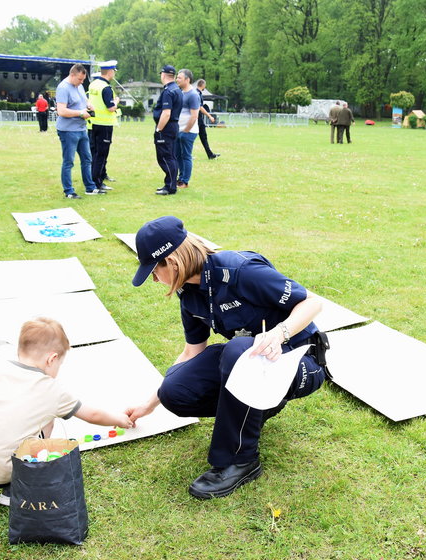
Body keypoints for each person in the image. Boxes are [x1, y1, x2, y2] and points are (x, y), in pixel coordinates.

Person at [126, 216, 329, 499]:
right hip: (257, 362)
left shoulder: (240, 270)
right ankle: (252, 413)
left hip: (302, 360)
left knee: (237, 350)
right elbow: (191, 352)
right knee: (175, 390)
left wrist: (278, 333)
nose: (153, 279)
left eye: (153, 271)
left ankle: (239, 460)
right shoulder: (190, 294)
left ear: (171, 261)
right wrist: (152, 402)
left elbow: (312, 302)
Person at [0, 318, 133, 506]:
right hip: (2, 474)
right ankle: (11, 489)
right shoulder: (54, 390)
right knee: (49, 421)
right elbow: (93, 415)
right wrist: (120, 419)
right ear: (52, 359)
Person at [56, 63, 102, 199]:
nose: (81, 82)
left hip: (81, 128)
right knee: (69, 161)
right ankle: (69, 191)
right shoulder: (63, 88)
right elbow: (61, 111)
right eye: (79, 79)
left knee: (87, 159)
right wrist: (80, 113)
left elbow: (83, 99)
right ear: (72, 75)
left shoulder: (79, 86)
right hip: (68, 130)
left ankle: (90, 187)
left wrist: (88, 104)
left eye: (83, 80)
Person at [88, 61, 120, 192]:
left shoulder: (93, 85)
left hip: (92, 123)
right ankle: (97, 182)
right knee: (101, 154)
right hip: (105, 125)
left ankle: (92, 178)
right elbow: (111, 108)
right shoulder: (106, 88)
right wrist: (116, 101)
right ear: (110, 71)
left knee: (94, 153)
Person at [153, 65, 183, 196]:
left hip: (166, 127)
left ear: (163, 75)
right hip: (173, 126)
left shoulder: (168, 91)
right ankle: (169, 184)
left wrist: (159, 129)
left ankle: (170, 186)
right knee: (170, 156)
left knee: (165, 157)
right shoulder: (177, 89)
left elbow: (166, 113)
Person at [175, 69, 200, 190]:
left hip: (188, 132)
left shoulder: (193, 95)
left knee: (186, 156)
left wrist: (185, 131)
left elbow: (194, 116)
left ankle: (185, 181)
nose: (177, 80)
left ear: (187, 79)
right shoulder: (180, 93)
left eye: (179, 78)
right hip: (178, 131)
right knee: (178, 155)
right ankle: (180, 178)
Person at [195, 79, 219, 159]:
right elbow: (200, 107)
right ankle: (186, 155)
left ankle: (210, 154)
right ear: (203, 85)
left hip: (197, 118)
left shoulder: (196, 92)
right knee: (196, 136)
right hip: (197, 119)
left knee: (203, 136)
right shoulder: (197, 94)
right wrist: (209, 116)